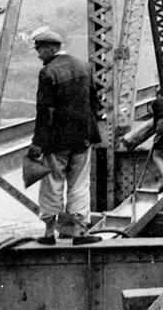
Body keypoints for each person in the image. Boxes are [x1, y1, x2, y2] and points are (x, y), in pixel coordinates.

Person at [28, 29, 102, 245]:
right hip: (83, 138)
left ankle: (49, 234)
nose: (38, 55)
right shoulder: (84, 66)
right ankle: (80, 233)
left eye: (39, 50)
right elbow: (94, 102)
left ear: (50, 48)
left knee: (52, 183)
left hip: (56, 140)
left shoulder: (48, 72)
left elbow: (45, 111)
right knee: (80, 184)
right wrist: (90, 127)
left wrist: (38, 143)